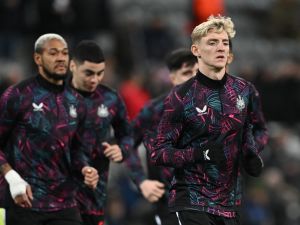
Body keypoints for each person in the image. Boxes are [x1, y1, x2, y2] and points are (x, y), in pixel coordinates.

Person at [145, 15, 269, 225]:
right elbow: (158, 152)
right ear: (196, 51)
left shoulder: (244, 91)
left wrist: (252, 153)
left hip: (231, 203)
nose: (221, 47)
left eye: (225, 43)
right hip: (192, 201)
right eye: (212, 42)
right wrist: (199, 154)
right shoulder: (180, 96)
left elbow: (254, 131)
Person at [0, 33, 99, 225]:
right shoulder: (18, 95)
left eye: (64, 53)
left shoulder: (77, 102)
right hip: (24, 202)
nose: (61, 58)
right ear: (38, 58)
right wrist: (12, 178)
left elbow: (77, 150)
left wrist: (86, 168)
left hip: (64, 204)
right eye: (53, 53)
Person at [68, 40, 164, 225]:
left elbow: (127, 135)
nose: (94, 79)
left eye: (99, 73)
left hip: (96, 194)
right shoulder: (55, 97)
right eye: (88, 73)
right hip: (60, 192)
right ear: (73, 66)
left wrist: (121, 150)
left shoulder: (110, 98)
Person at [130, 48, 198, 225]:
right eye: (186, 73)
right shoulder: (154, 111)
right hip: (171, 205)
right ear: (173, 77)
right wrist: (142, 182)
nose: (193, 78)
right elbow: (126, 143)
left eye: (198, 72)